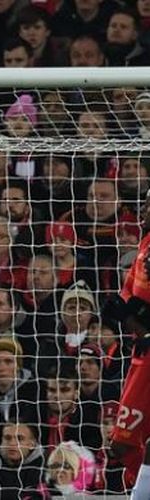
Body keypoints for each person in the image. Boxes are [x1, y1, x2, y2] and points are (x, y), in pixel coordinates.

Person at [104, 188, 150, 494]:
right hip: (142, 351)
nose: (144, 208)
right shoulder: (146, 243)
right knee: (125, 444)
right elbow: (126, 304)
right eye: (145, 202)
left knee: (125, 443)